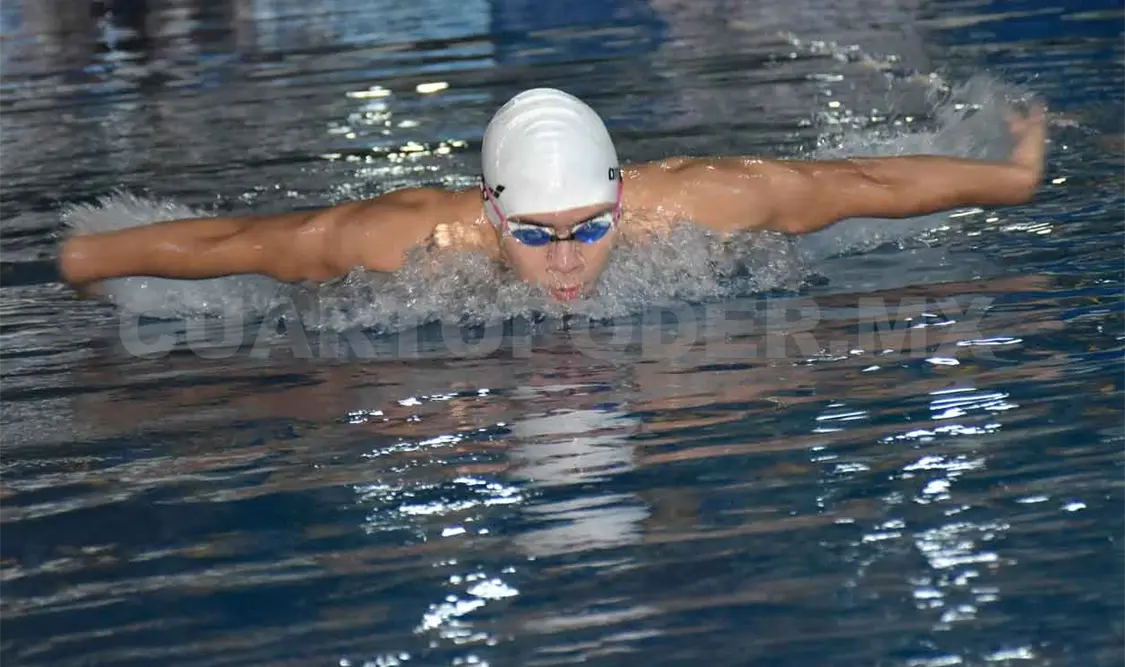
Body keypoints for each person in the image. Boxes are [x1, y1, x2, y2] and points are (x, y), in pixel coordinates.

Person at [58, 87, 1047, 302]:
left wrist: (1011, 180)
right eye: (533, 232)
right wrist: (85, 258)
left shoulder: (702, 203)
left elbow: (862, 184)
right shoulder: (403, 237)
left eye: (590, 228)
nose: (567, 257)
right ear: (490, 214)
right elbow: (236, 241)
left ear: (624, 197)